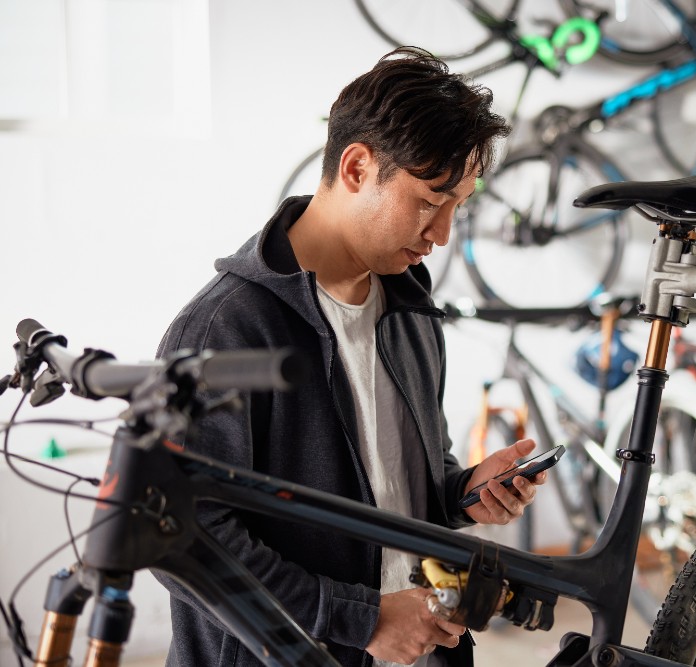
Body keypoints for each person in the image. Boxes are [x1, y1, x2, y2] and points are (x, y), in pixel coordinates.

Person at [153, 47, 544, 667]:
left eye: (459, 206)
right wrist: (359, 619)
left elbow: (393, 486)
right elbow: (180, 537)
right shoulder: (224, 329)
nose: (442, 234)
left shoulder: (410, 313)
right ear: (358, 167)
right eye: (429, 200)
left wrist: (463, 489)